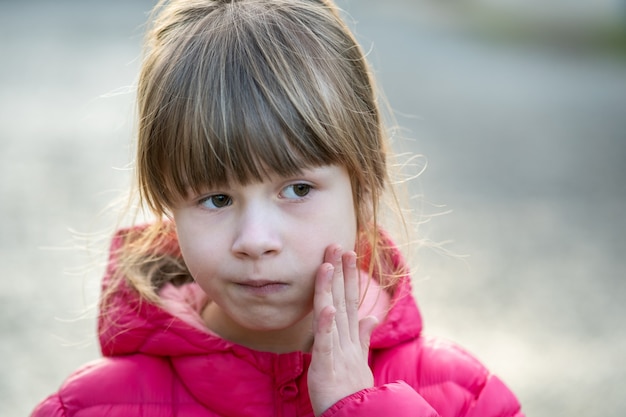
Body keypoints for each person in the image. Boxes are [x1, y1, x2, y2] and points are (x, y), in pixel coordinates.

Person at [31, 0, 524, 416]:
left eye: (297, 190)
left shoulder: (462, 397)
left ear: (364, 183)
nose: (255, 240)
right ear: (166, 206)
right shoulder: (96, 406)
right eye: (216, 199)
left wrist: (362, 405)